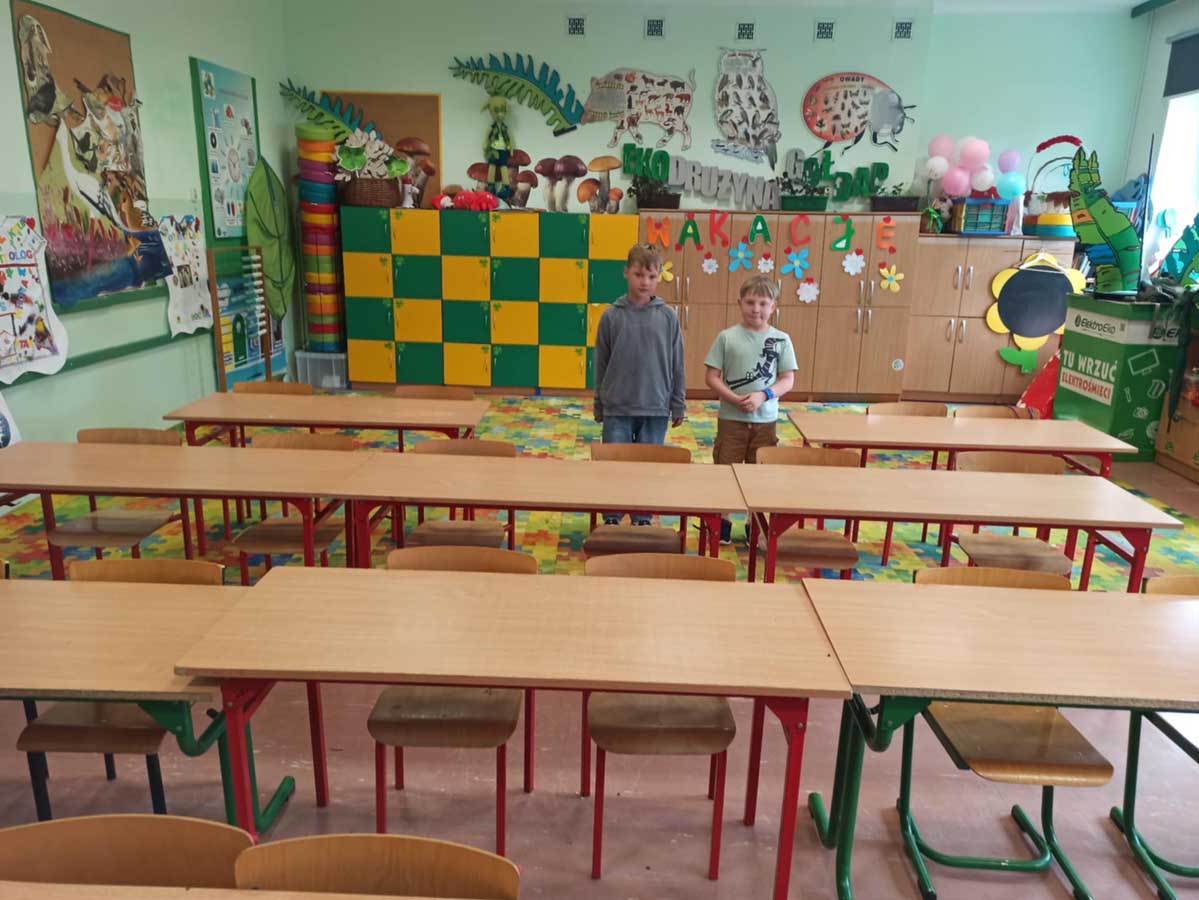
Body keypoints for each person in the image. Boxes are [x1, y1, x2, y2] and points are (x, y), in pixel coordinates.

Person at [593, 243, 686, 525]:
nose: (645, 282)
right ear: (626, 273)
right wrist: (599, 403)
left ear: (658, 277)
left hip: (655, 408)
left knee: (648, 469)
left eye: (651, 276)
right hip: (617, 408)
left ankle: (642, 517)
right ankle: (612, 516)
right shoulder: (611, 316)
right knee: (614, 467)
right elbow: (601, 363)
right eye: (638, 275)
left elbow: (677, 363)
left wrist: (678, 403)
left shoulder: (668, 317)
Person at [704, 274, 798, 543]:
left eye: (763, 303)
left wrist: (763, 395)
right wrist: (733, 399)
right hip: (731, 419)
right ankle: (722, 524)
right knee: (726, 470)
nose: (756, 309)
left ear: (773, 307)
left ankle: (753, 526)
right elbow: (711, 377)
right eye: (750, 302)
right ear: (739, 303)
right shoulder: (726, 337)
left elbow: (787, 380)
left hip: (765, 421)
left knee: (759, 474)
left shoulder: (781, 339)